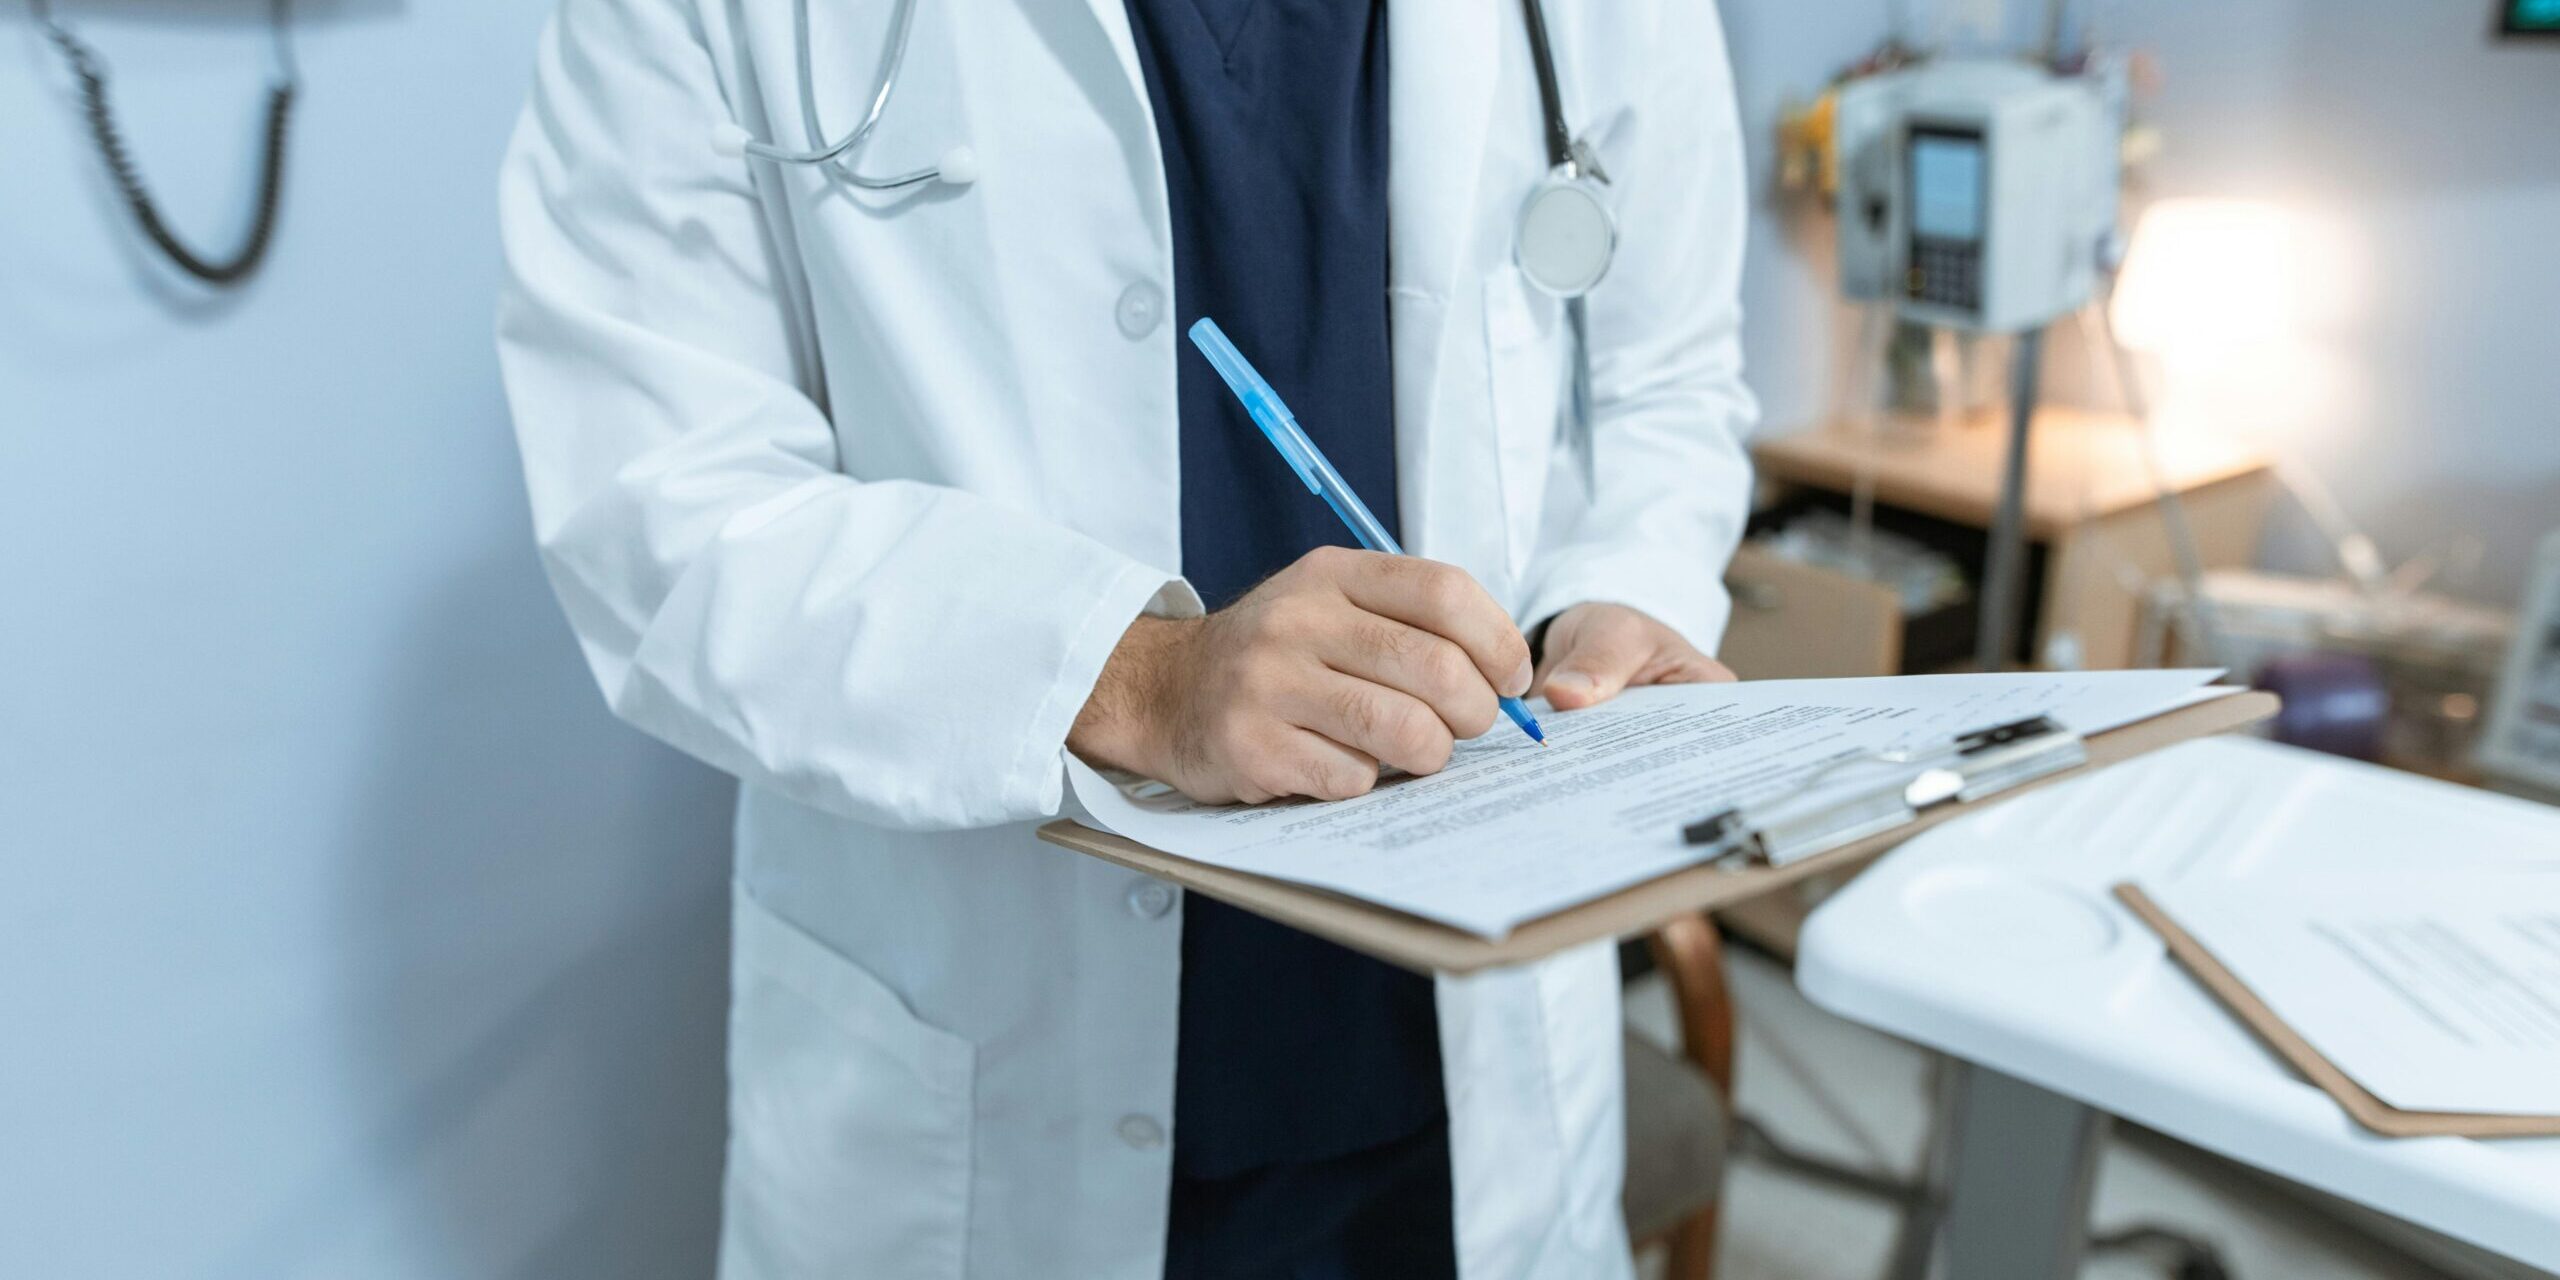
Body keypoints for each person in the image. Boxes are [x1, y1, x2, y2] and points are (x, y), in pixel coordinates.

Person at [495, 0, 1755, 1275]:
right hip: (997, 1095)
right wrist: (1136, 674)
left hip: (1461, 1107)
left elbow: (1669, 380)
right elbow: (659, 506)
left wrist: (1615, 595)